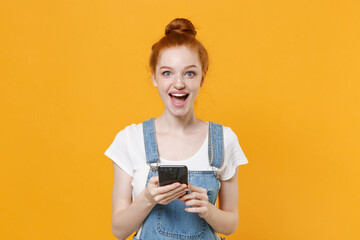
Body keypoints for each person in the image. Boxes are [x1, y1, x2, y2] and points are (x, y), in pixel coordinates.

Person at [105, 18, 248, 240]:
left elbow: (230, 224)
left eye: (189, 73)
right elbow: (118, 230)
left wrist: (208, 211)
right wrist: (148, 198)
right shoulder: (130, 140)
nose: (179, 83)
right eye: (167, 73)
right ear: (154, 76)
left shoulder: (223, 140)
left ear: (203, 77)